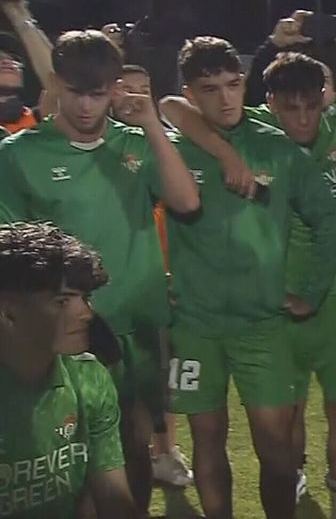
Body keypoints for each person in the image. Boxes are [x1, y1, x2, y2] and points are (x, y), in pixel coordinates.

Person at [0, 29, 200, 515]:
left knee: (134, 445)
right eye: (76, 92)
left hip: (138, 322)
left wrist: (152, 125)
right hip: (59, 332)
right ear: (54, 83)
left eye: (98, 93)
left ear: (116, 87)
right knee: (60, 454)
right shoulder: (20, 154)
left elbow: (187, 201)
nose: (87, 107)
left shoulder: (136, 143)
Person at [161, 35, 336, 519]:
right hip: (194, 324)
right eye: (209, 88)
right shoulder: (172, 150)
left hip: (262, 324)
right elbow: (165, 109)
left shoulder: (277, 148)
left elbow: (328, 221)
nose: (224, 98)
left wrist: (311, 292)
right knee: (207, 436)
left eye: (232, 84)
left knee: (276, 446)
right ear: (191, 91)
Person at [0, 222, 138, 519]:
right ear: (9, 311)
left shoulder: (89, 379)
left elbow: (114, 501)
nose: (87, 314)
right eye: (62, 302)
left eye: (85, 299)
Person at [109, 63, 195, 490]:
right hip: (113, 283)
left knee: (160, 381)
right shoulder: (101, 144)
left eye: (145, 88)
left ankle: (165, 452)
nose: (136, 97)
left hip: (158, 278)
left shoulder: (161, 143)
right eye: (127, 89)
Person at [0, 0, 57, 132]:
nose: (7, 61)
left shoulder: (35, 120)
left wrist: (20, 17)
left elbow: (58, 82)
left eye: (14, 58)